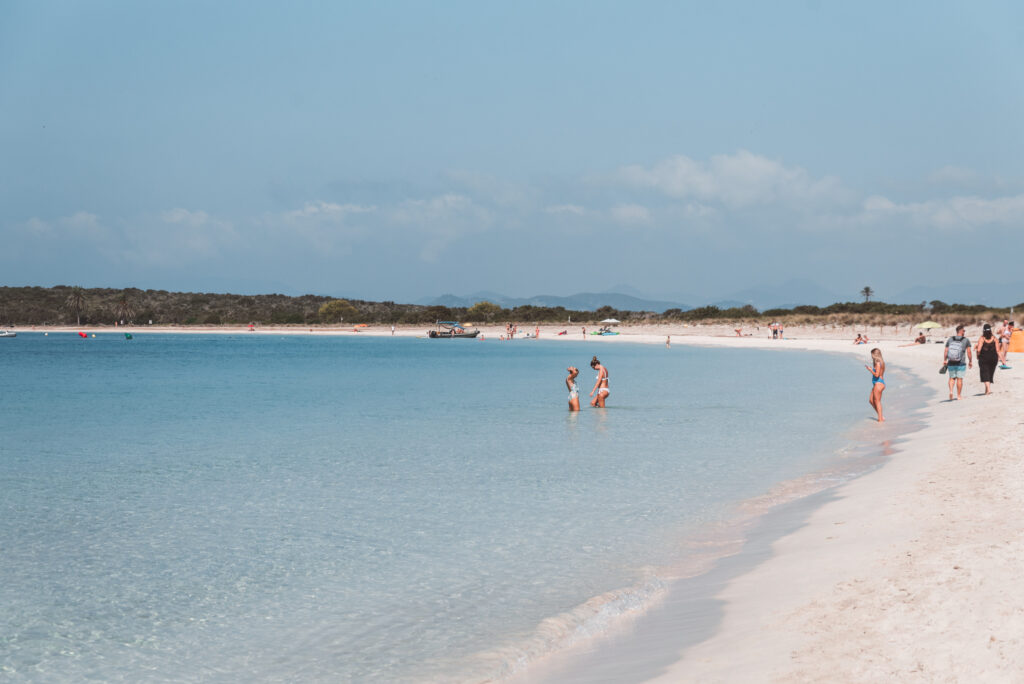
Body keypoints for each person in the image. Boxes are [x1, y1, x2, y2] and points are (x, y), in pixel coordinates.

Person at [944, 324, 973, 400]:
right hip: (961, 362)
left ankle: (951, 391)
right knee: (959, 379)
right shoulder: (966, 340)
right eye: (964, 330)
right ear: (961, 331)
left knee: (951, 378)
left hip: (951, 361)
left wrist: (944, 360)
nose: (964, 332)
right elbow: (969, 352)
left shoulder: (950, 339)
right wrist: (970, 361)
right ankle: (959, 395)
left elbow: (946, 350)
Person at [975, 323, 999, 395]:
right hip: (994, 359)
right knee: (990, 374)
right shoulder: (995, 338)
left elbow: (978, 350)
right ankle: (986, 390)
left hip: (984, 359)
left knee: (985, 374)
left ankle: (988, 389)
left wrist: (977, 355)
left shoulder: (982, 338)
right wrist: (1003, 360)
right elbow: (998, 351)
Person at [865, 347, 885, 422]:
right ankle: (881, 416)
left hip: (879, 384)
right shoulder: (879, 363)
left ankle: (880, 419)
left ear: (875, 355)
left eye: (872, 355)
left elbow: (877, 375)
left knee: (877, 401)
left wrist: (870, 370)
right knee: (871, 400)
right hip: (876, 384)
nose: (871, 356)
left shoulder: (878, 363)